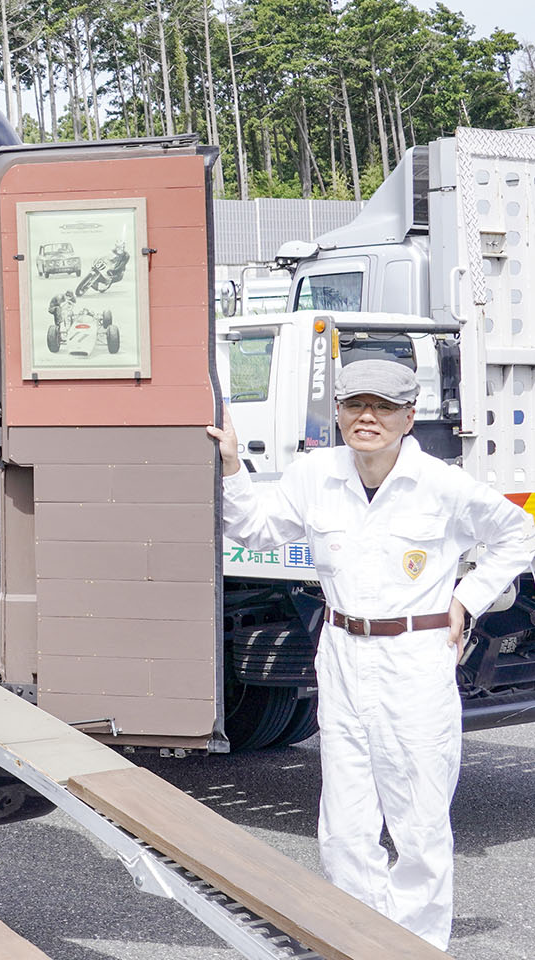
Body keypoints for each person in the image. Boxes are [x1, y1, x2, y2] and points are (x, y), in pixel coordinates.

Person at [206, 358, 535, 950]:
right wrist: (232, 467)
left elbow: (520, 534)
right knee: (344, 823)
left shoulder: (443, 484)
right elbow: (256, 529)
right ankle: (361, 937)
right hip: (341, 652)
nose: (368, 417)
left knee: (418, 817)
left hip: (414, 655)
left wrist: (471, 596)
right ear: (337, 412)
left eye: (384, 407)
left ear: (409, 417)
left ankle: (416, 945)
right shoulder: (315, 474)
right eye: (356, 404)